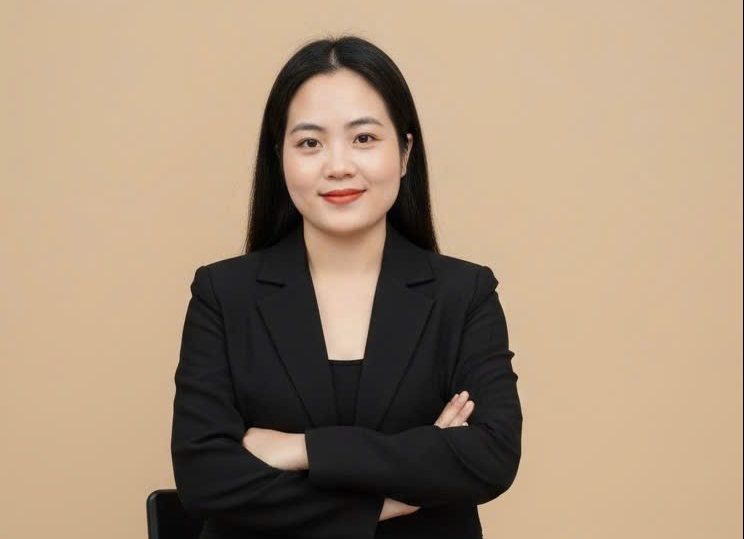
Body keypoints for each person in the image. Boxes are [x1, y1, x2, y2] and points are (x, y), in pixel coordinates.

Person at [170, 35, 522, 539]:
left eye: (364, 138)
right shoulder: (223, 295)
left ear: (405, 152)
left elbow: (491, 455)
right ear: (279, 157)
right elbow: (206, 479)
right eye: (310, 143)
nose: (338, 165)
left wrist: (301, 448)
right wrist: (395, 498)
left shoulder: (464, 294)